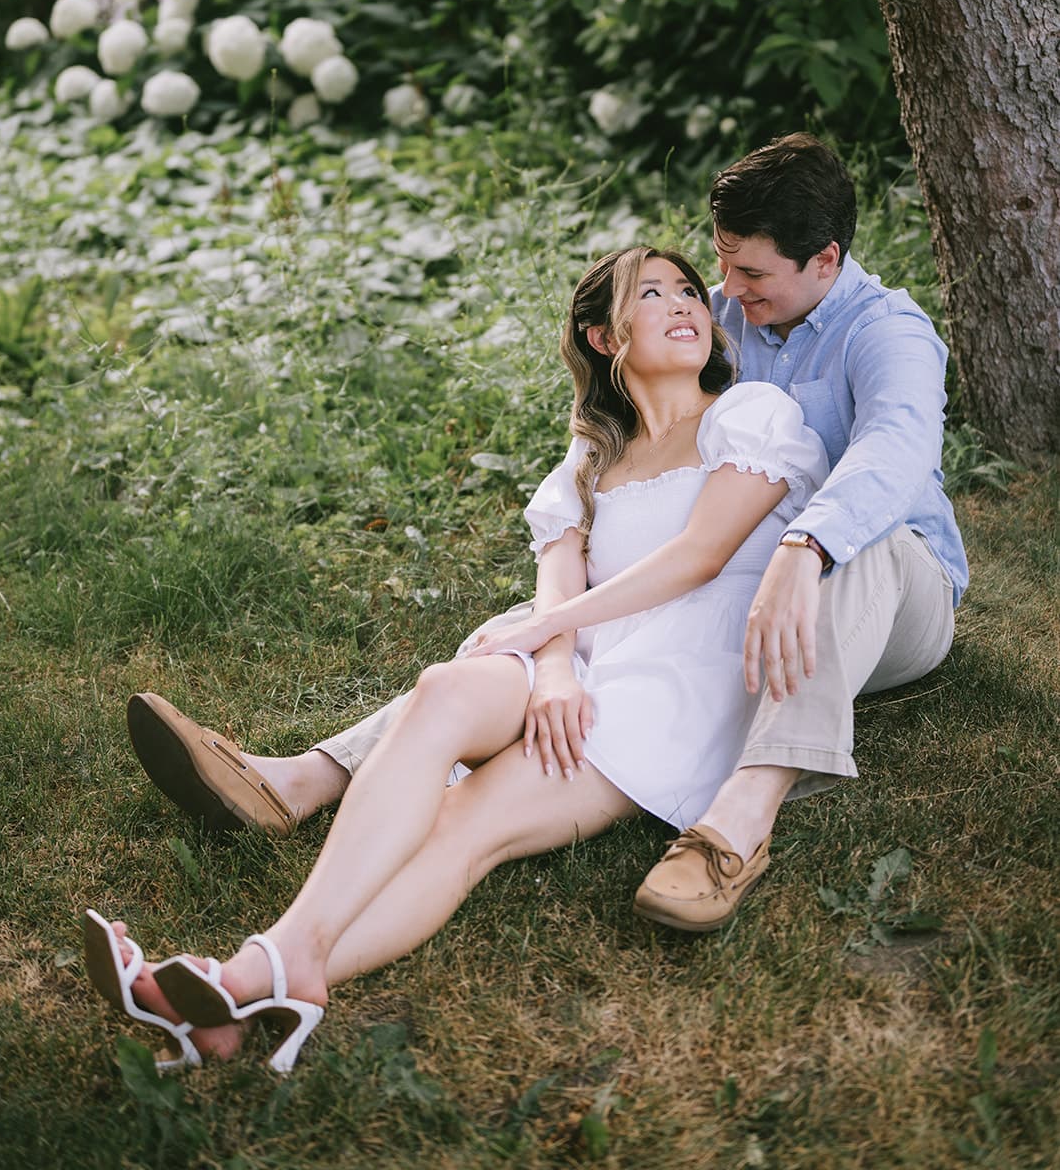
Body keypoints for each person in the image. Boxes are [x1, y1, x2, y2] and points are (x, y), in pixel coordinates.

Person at [125, 134, 967, 937]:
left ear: (824, 260)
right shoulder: (721, 309)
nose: (721, 291)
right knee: (563, 614)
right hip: (739, 590)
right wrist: (571, 544)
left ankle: (744, 811)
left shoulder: (884, 332)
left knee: (855, 550)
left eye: (747, 272)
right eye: (717, 263)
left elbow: (893, 454)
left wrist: (804, 547)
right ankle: (304, 779)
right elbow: (621, 421)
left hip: (885, 596)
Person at [87, 244, 827, 1071]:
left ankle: (254, 977)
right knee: (442, 692)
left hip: (679, 681)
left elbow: (701, 554)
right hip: (580, 654)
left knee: (464, 822)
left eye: (689, 290)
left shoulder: (749, 416)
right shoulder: (587, 463)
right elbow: (555, 593)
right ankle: (258, 983)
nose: (686, 303)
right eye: (651, 293)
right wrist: (547, 668)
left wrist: (541, 638)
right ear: (602, 337)